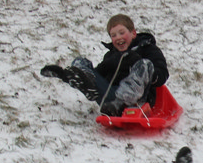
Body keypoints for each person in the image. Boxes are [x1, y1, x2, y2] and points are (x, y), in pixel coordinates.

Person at [40, 14, 169, 116]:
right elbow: (98, 74)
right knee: (81, 62)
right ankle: (71, 76)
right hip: (110, 100)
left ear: (133, 33)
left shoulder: (147, 49)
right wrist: (93, 73)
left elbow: (162, 74)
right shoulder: (111, 55)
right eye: (113, 35)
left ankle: (121, 102)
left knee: (145, 64)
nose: (118, 37)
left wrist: (136, 61)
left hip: (137, 101)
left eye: (122, 33)